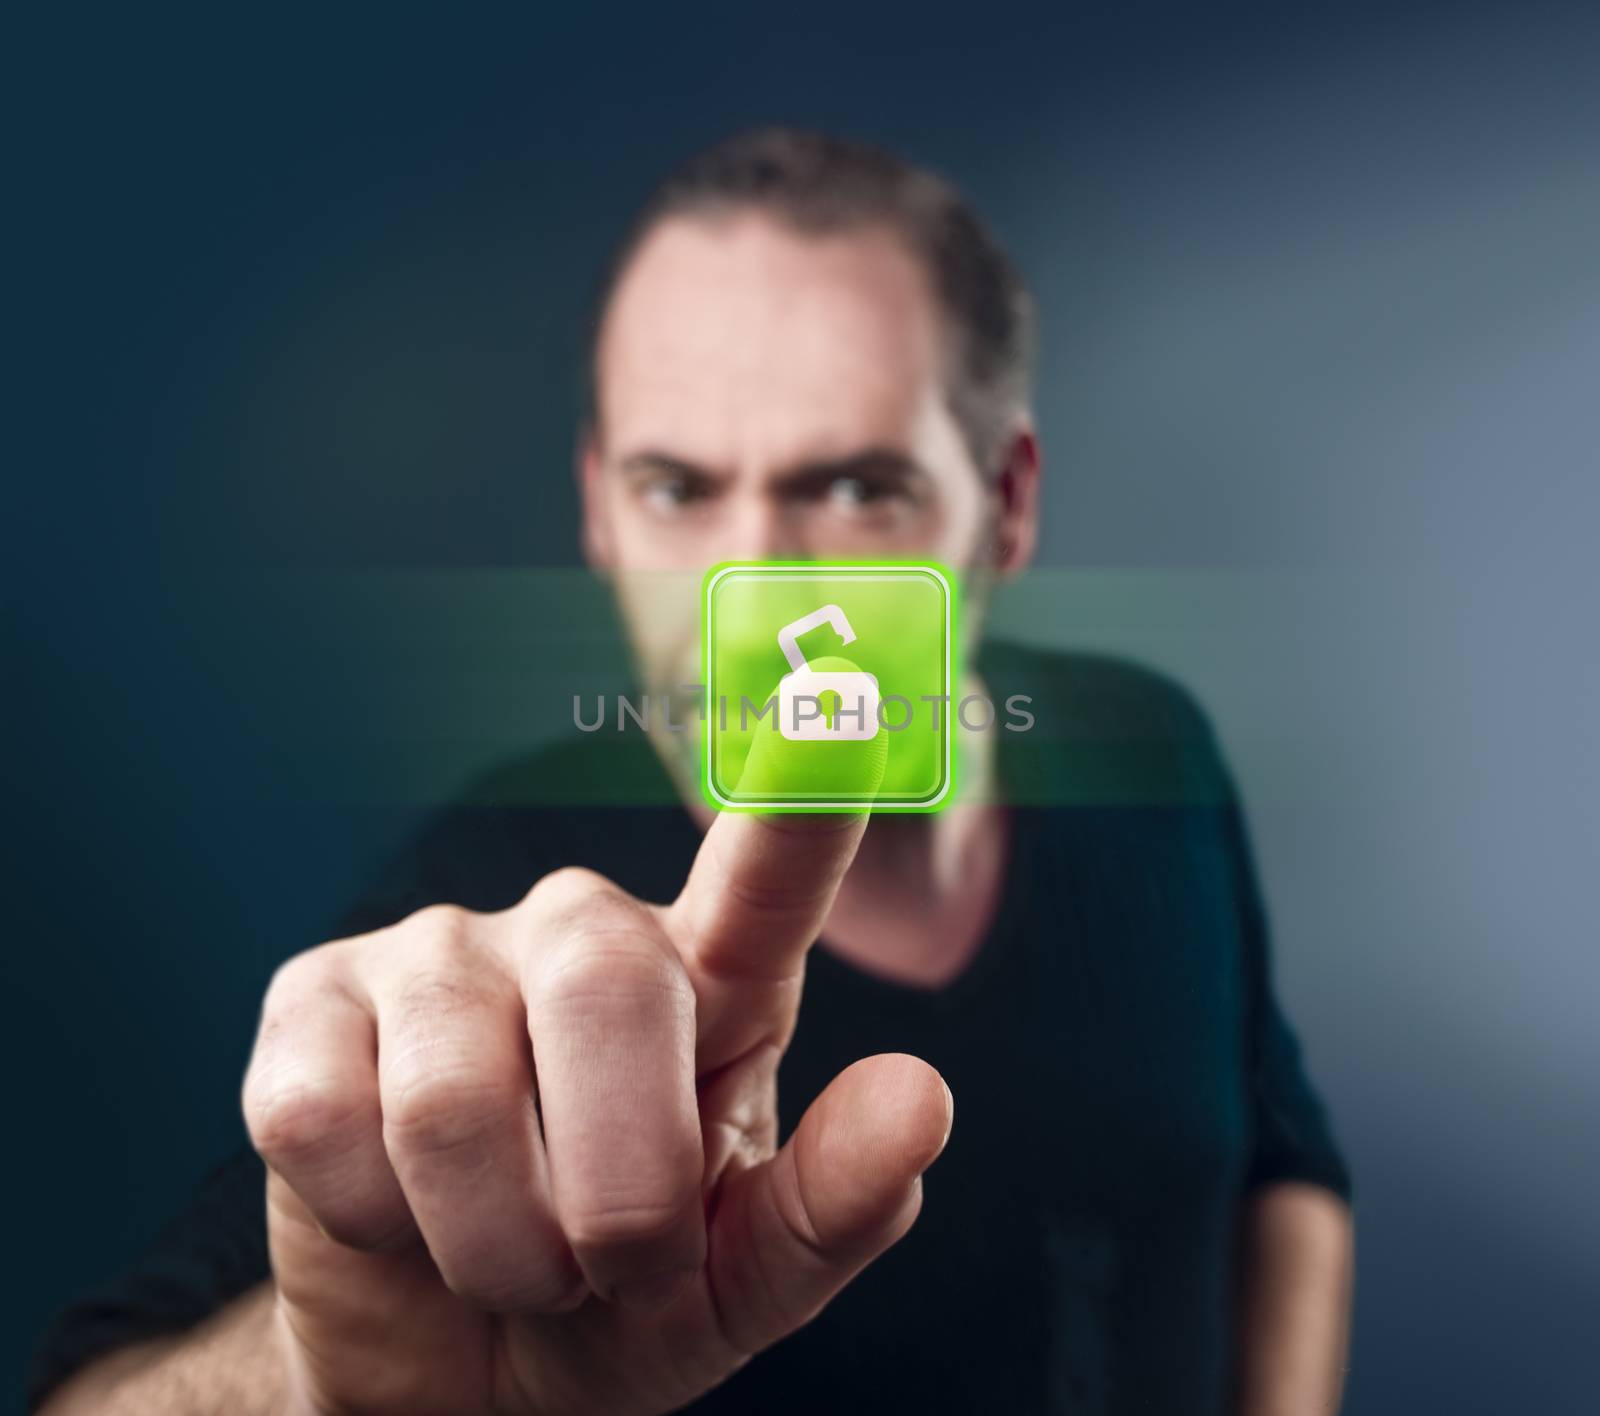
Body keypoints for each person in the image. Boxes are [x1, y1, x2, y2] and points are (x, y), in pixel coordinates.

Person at [32, 128, 1354, 1415]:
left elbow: (1281, 1155)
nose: (762, 595)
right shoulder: (485, 888)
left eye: (851, 489)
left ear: (1005, 502)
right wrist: (318, 1383)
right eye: (679, 491)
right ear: (599, 509)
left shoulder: (1148, 748)